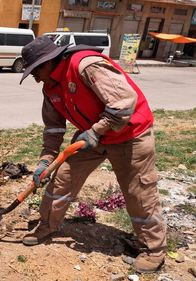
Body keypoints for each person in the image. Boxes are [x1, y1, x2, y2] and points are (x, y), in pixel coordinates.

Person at [19, 36, 166, 273]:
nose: (34, 78)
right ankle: (47, 224)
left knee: (139, 192)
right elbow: (53, 130)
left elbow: (124, 103)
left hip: (130, 134)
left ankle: (153, 250)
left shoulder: (85, 65)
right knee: (62, 178)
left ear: (48, 62)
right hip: (93, 137)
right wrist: (44, 162)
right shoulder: (50, 88)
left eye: (35, 70)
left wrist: (96, 131)